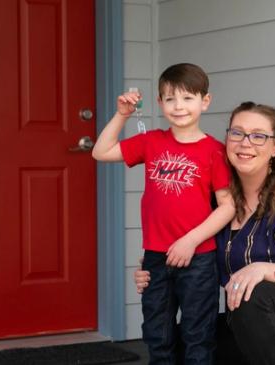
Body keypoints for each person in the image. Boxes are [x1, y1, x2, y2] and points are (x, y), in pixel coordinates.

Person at [135, 101, 275, 365]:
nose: (245, 143)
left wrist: (262, 269)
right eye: (237, 133)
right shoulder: (217, 204)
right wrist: (154, 269)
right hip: (247, 318)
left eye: (258, 136)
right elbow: (191, 255)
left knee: (254, 294)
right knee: (184, 342)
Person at [93, 63, 235, 365]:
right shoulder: (152, 142)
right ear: (159, 103)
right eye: (170, 99)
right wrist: (122, 114)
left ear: (205, 101)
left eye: (187, 98)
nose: (178, 106)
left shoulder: (214, 151)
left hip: (198, 258)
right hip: (156, 258)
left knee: (198, 336)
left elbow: (228, 205)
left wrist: (190, 241)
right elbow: (100, 151)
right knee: (158, 336)